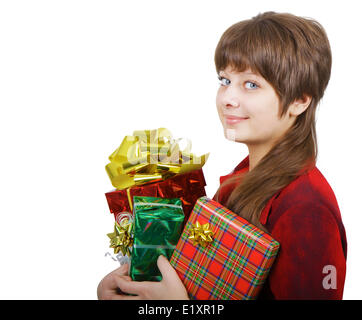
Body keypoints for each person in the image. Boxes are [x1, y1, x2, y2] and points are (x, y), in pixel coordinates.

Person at [97, 11, 347, 300]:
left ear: (300, 100)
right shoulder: (243, 178)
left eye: (251, 84)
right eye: (225, 80)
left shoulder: (307, 209)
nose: (228, 98)